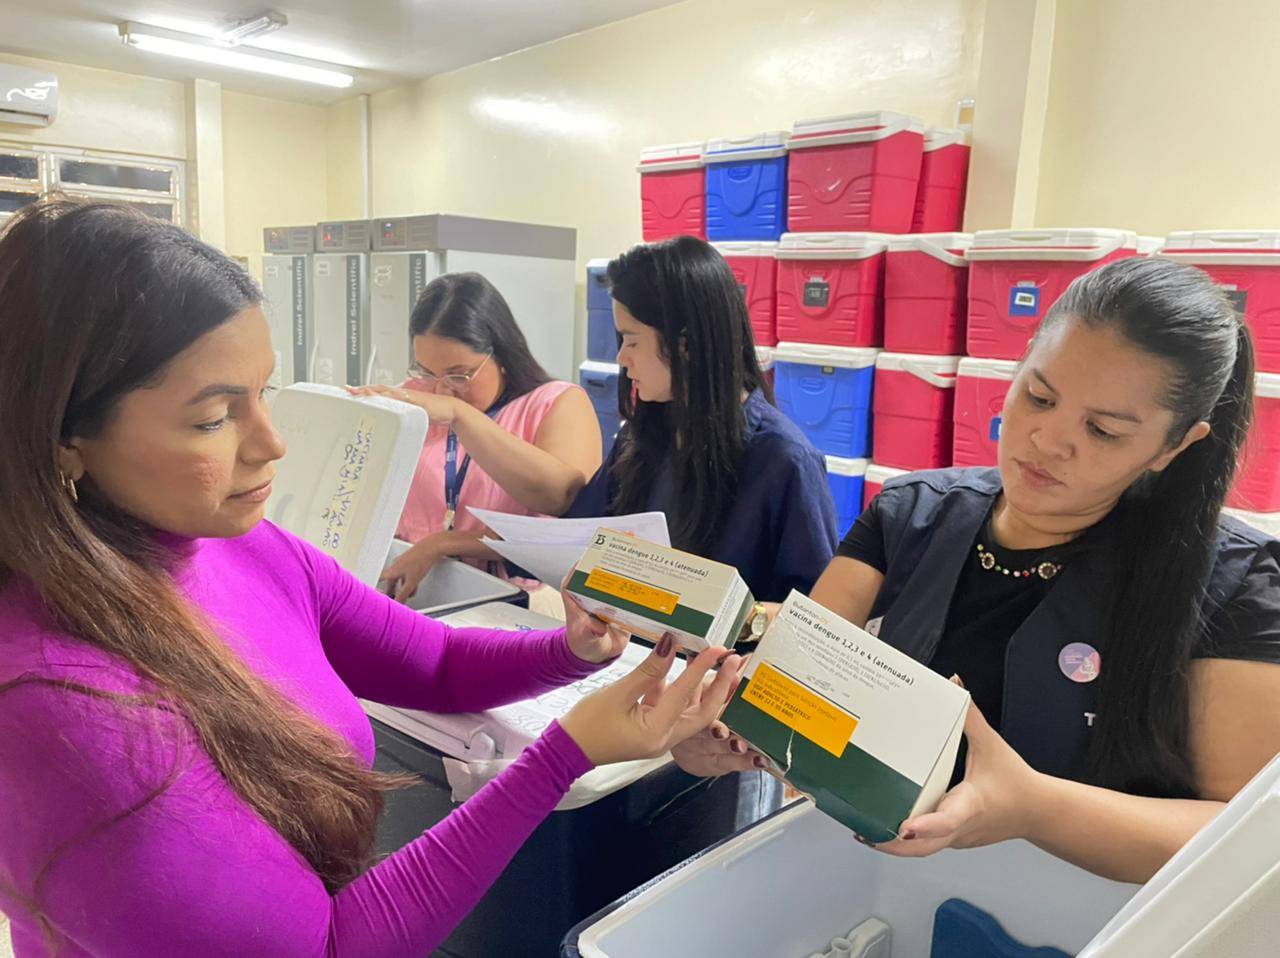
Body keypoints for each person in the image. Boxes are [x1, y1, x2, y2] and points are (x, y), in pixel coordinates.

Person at [0, 201, 744, 956]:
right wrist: (563, 754)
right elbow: (328, 947)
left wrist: (570, 651)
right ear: (65, 437)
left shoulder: (240, 545)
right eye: (214, 418)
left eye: (264, 394)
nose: (272, 443)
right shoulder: (61, 702)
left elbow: (435, 662)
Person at [674, 256, 1280, 884]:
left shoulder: (1237, 584)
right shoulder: (910, 514)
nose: (1047, 440)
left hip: (1093, 914)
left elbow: (1248, 834)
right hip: (881, 889)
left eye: (1103, 430)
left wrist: (1035, 808)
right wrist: (717, 733)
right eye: (1039, 396)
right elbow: (792, 685)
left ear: (1175, 445)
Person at [566, 236, 838, 602]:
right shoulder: (638, 438)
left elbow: (815, 612)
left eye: (631, 341)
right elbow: (586, 536)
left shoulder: (784, 460)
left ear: (685, 344)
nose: (621, 358)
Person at [349, 272, 602, 601]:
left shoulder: (556, 403)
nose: (442, 389)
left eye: (459, 375)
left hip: (515, 598)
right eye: (427, 371)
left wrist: (460, 415)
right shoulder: (414, 396)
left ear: (501, 355)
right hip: (415, 589)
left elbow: (561, 505)